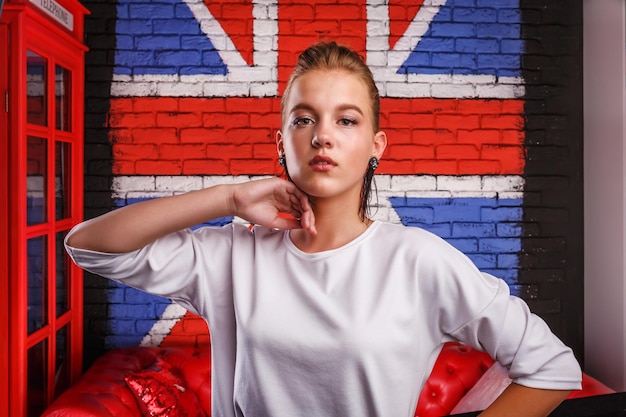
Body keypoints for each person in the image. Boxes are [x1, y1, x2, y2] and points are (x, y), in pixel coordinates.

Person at [65, 41, 582, 417]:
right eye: (304, 119)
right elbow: (89, 245)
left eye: (347, 120)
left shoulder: (417, 259)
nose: (323, 138)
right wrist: (228, 197)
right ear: (283, 138)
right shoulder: (231, 257)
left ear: (377, 145)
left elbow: (552, 368)